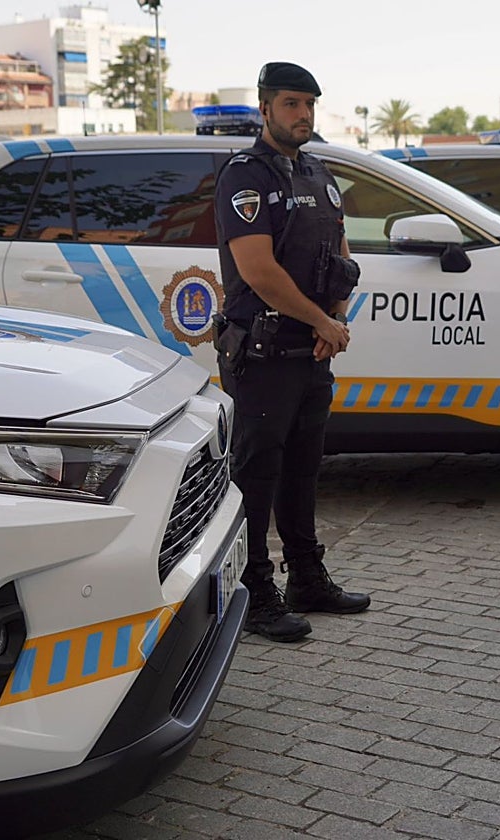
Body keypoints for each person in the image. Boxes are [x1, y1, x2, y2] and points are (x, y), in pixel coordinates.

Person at [213, 61, 370, 642]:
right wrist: (322, 320)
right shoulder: (245, 176)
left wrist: (337, 318)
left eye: (309, 104)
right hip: (265, 351)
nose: (303, 114)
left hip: (312, 351)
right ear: (265, 109)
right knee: (258, 475)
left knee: (303, 471)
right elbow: (259, 272)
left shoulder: (319, 173)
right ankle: (254, 595)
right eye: (290, 104)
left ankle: (307, 576)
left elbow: (341, 255)